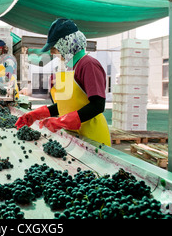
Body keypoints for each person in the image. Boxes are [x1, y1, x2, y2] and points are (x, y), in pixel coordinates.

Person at [15, 18, 111, 146]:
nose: (52, 52)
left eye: (55, 48)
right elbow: (65, 105)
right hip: (77, 136)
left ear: (67, 44)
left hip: (93, 137)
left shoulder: (88, 65)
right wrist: (37, 114)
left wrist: (61, 122)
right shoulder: (71, 67)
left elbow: (98, 105)